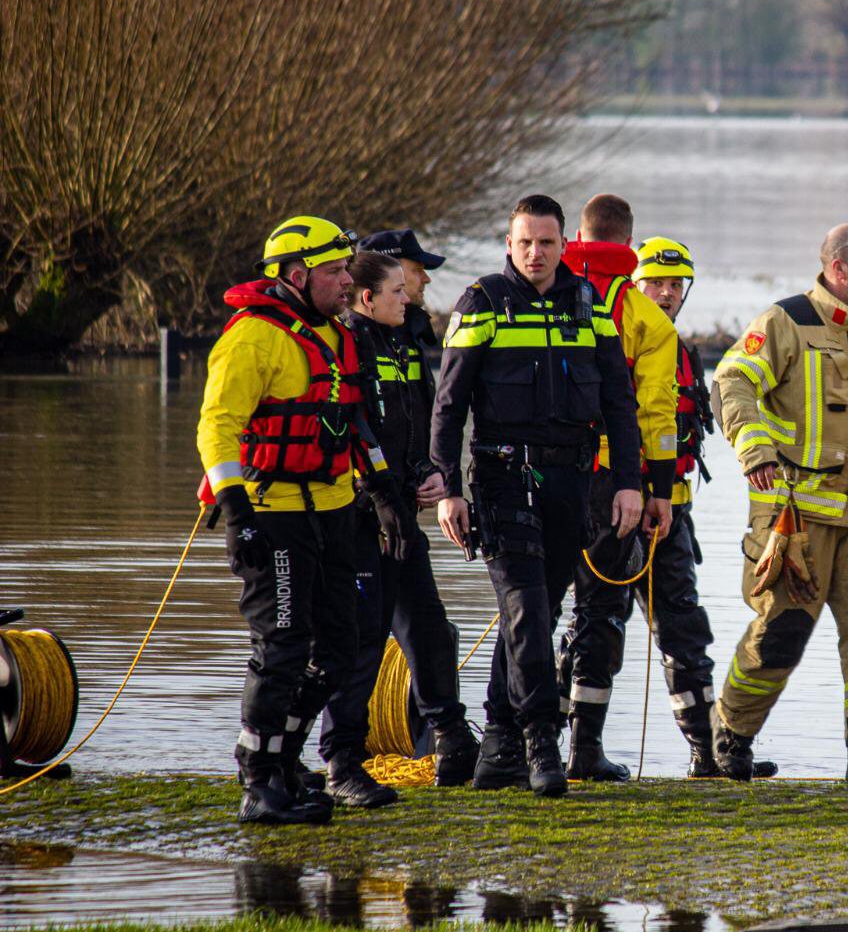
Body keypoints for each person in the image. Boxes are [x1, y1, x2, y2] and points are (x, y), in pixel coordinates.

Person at [197, 215, 417, 824]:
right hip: (275, 516)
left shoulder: (335, 336)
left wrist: (384, 497)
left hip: (336, 512)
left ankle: (287, 759)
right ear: (298, 276)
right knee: (283, 647)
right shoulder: (252, 338)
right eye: (336, 271)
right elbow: (216, 426)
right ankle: (260, 781)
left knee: (341, 649)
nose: (349, 280)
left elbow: (354, 426)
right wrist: (237, 511)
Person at [431, 194, 643, 797]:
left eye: (546, 243)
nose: (535, 253)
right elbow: (449, 407)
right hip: (501, 478)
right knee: (527, 609)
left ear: (563, 246)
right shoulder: (483, 302)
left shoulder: (590, 305)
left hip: (571, 483)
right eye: (525, 242)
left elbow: (619, 406)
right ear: (509, 244)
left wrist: (629, 481)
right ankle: (541, 743)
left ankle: (497, 745)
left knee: (535, 614)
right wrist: (448, 489)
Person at [709, 223, 848, 782]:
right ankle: (730, 733)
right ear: (839, 269)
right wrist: (755, 451)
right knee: (780, 634)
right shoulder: (785, 321)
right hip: (794, 516)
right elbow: (731, 382)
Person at [316, 246, 479, 804]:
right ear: (367, 298)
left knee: (429, 630)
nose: (408, 297)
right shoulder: (349, 343)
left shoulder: (406, 340)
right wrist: (383, 495)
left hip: (402, 514)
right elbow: (354, 429)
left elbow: (423, 417)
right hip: (361, 519)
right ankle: (341, 761)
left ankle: (454, 742)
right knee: (363, 640)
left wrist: (432, 476)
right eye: (397, 291)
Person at [631, 236, 777, 778]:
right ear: (635, 283)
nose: (666, 294)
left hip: (674, 515)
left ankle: (706, 752)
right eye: (656, 284)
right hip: (620, 513)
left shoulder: (682, 351)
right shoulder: (617, 341)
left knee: (686, 633)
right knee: (591, 629)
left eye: (675, 285)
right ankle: (571, 752)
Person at [550, 194, 680, 782]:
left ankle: (525, 741)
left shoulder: (537, 293)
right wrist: (661, 491)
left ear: (575, 235)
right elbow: (656, 414)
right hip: (612, 482)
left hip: (541, 471)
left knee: (538, 604)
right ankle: (585, 751)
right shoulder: (645, 320)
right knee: (601, 610)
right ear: (630, 245)